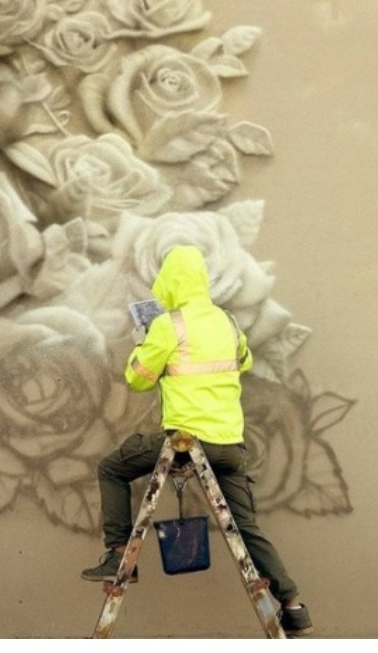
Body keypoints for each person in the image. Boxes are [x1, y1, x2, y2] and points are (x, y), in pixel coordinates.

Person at [81, 243, 313, 637]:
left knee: (111, 468)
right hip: (229, 445)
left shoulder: (167, 325)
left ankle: (119, 556)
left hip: (184, 443)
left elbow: (138, 378)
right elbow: (244, 360)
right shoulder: (226, 321)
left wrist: (144, 343)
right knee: (247, 527)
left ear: (170, 282)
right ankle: (293, 606)